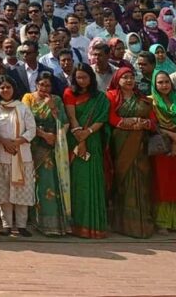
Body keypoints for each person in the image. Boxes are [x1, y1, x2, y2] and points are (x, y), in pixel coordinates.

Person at [106, 67, 156, 238]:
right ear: (117, 80)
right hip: (120, 145)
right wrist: (128, 122)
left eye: (131, 77)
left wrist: (142, 124)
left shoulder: (143, 99)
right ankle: (122, 225)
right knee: (123, 181)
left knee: (140, 182)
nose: (129, 80)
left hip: (140, 146)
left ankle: (142, 225)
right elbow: (110, 118)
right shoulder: (111, 96)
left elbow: (153, 121)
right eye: (125, 77)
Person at [63, 62, 110, 238]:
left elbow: (101, 118)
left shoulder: (100, 98)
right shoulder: (69, 93)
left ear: (91, 78)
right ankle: (77, 225)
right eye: (78, 77)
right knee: (79, 182)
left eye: (85, 77)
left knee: (94, 181)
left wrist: (88, 132)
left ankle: (94, 226)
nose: (82, 81)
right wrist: (80, 137)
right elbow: (72, 117)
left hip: (93, 140)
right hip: (75, 141)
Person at [22, 72, 71, 236]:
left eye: (47, 85)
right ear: (36, 84)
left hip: (52, 148)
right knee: (34, 183)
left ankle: (52, 225)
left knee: (50, 184)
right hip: (33, 146)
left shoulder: (56, 100)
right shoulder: (28, 98)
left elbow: (64, 122)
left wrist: (55, 137)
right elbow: (25, 121)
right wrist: (44, 135)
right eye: (41, 85)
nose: (44, 88)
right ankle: (35, 222)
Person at [0, 75, 36, 237]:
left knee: (22, 191)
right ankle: (6, 225)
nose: (5, 90)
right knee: (4, 193)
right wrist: (4, 142)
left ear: (14, 89)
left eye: (8, 87)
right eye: (2, 87)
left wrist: (15, 142)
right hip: (1, 156)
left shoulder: (23, 107)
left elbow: (31, 129)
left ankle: (22, 225)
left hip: (21, 155)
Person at [150, 70, 176, 234]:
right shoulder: (151, 103)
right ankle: (162, 222)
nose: (164, 85)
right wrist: (172, 136)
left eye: (166, 82)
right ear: (154, 84)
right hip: (162, 147)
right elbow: (154, 125)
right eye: (160, 82)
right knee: (164, 184)